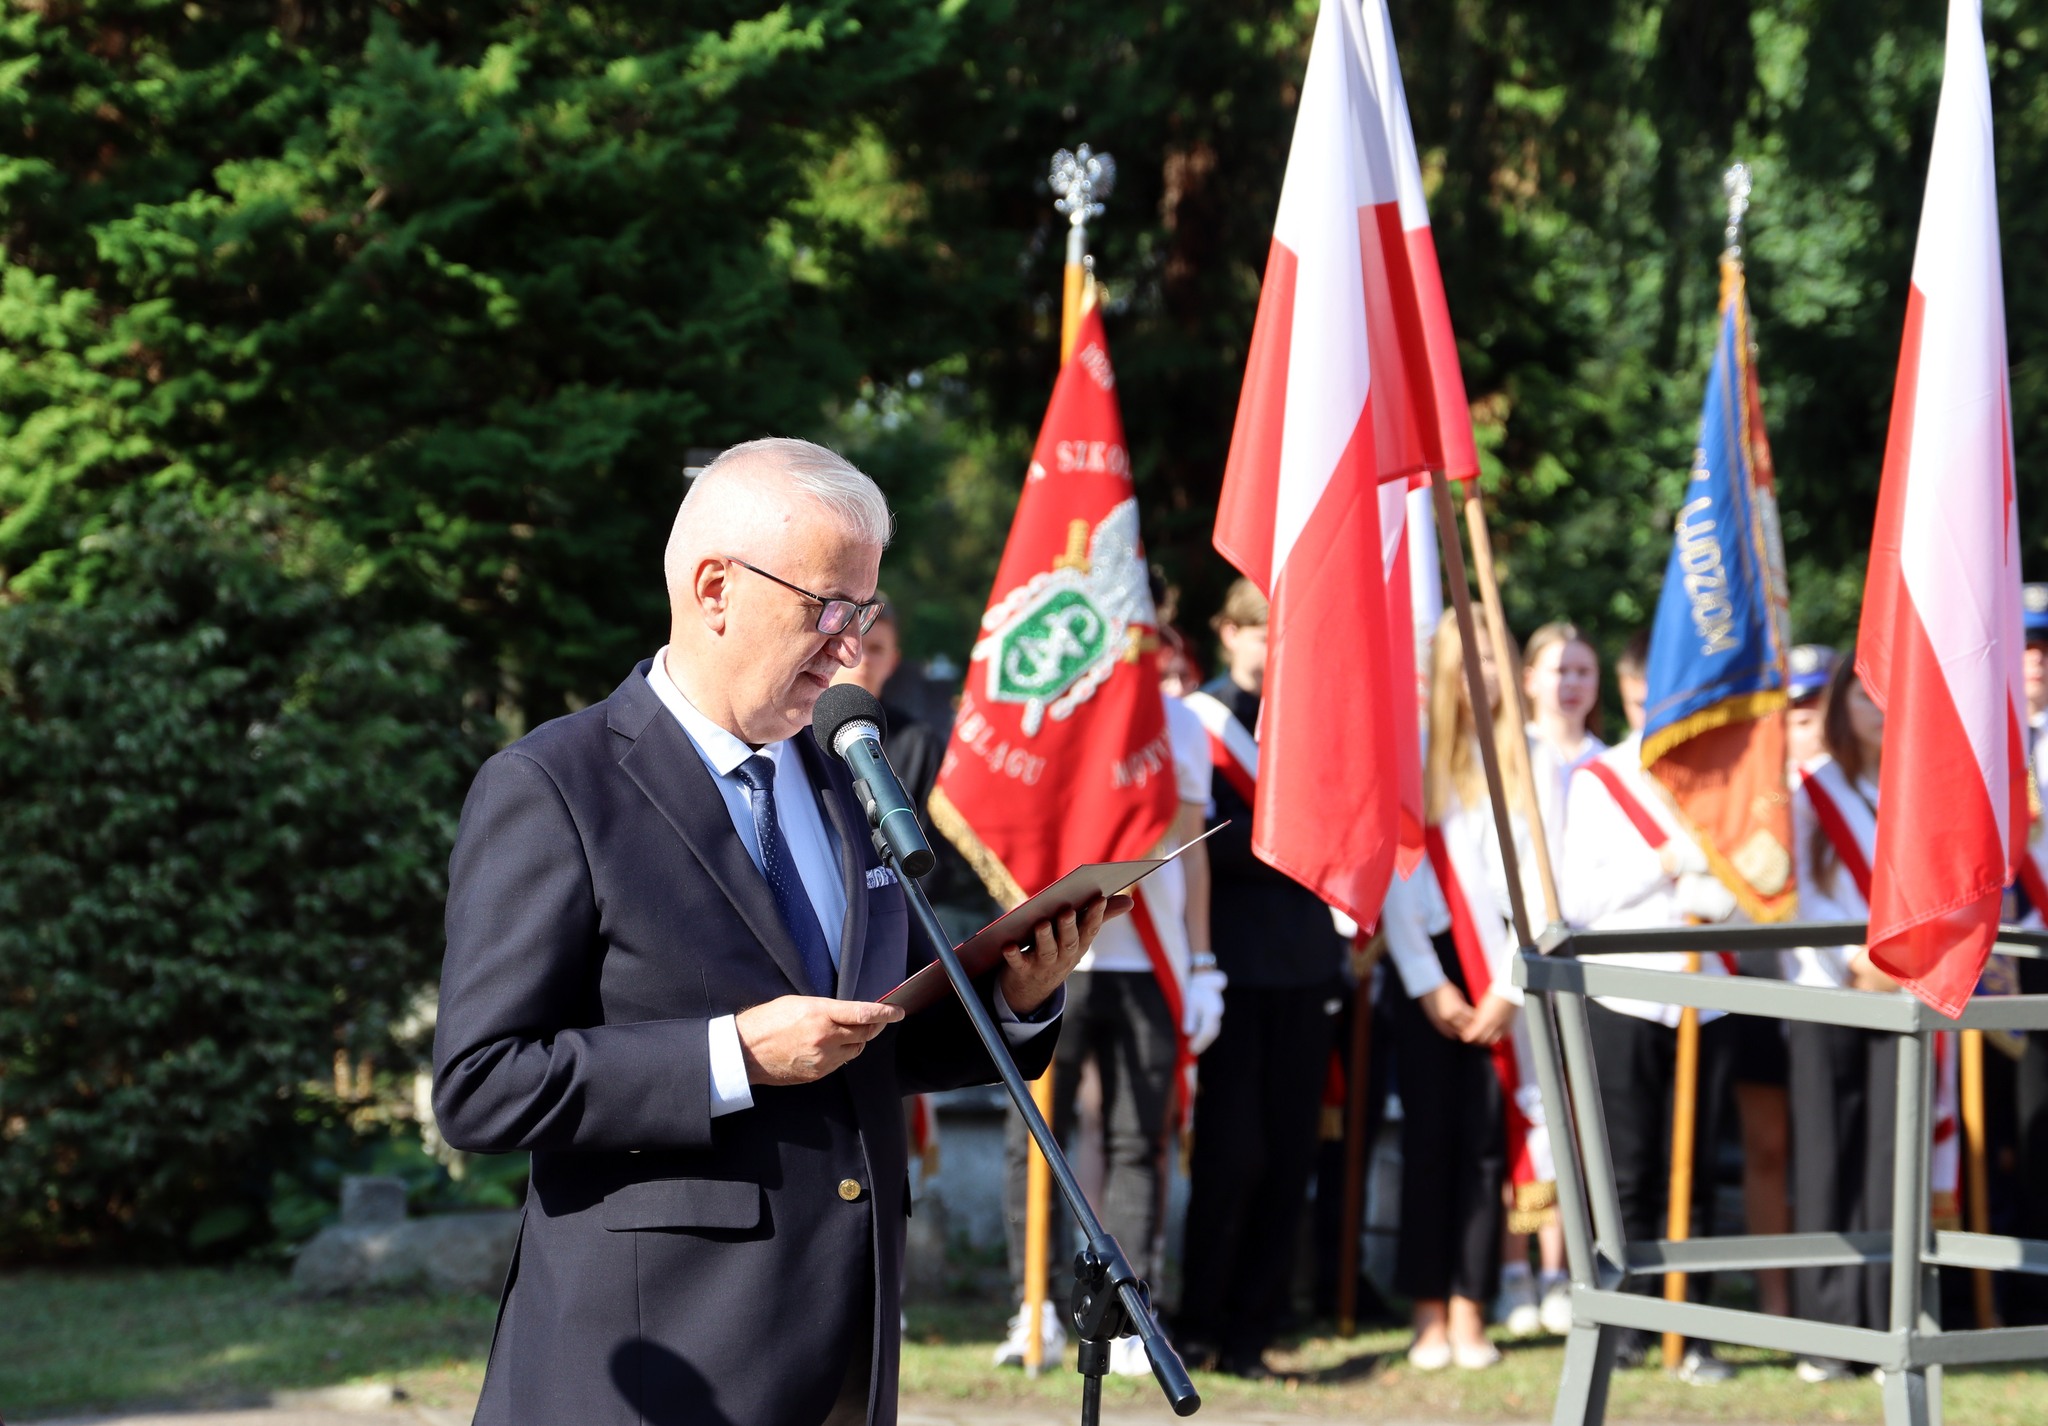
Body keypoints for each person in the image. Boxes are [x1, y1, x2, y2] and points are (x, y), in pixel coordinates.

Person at [432, 438, 1114, 1426]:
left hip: (841, 1350)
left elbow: (858, 1036)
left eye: (863, 615)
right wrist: (732, 1055)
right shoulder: (553, 787)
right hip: (653, 1359)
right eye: (827, 611)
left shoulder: (847, 775)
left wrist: (1010, 1000)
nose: (849, 651)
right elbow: (481, 1084)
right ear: (714, 588)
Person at [995, 677, 1222, 1376]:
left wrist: (1204, 959)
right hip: (1057, 954)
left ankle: (1128, 1315)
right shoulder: (1049, 706)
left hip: (1148, 961)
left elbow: (1191, 840)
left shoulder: (1179, 722)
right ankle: (1033, 1305)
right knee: (1034, 1135)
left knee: (1137, 1139)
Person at [1175, 578, 1347, 1378]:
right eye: (1253, 631)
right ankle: (1200, 1319)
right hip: (1233, 963)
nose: (1264, 646)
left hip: (1308, 961)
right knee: (1229, 1152)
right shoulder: (1200, 723)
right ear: (1226, 632)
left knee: (1287, 1154)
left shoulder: (1309, 725)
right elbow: (1206, 841)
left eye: (1277, 634)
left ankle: (1256, 1326)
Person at [1558, 631, 1740, 1384]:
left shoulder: (1720, 775)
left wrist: (1717, 893)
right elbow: (1580, 900)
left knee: (1693, 1169)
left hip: (1708, 996)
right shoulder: (1600, 780)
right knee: (1627, 1167)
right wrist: (1664, 863)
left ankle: (1690, 1326)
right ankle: (1629, 1321)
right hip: (1628, 992)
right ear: (1632, 690)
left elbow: (1752, 881)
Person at [1782, 653, 1960, 1381]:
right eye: (1864, 694)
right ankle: (1826, 1334)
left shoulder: (1916, 789)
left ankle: (1886, 1324)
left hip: (1901, 993)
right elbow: (1797, 896)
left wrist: (1895, 963)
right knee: (1827, 1156)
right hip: (1828, 990)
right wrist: (1852, 958)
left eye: (1890, 697)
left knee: (1892, 1158)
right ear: (1841, 703)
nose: (1877, 708)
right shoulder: (1808, 789)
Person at [1382, 608, 1535, 1371]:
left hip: (1505, 969)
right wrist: (1426, 983)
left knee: (1484, 1149)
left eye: (1491, 651)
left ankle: (1473, 1308)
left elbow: (1544, 882)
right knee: (1429, 1145)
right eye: (1464, 651)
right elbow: (1396, 880)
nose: (1478, 666)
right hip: (1432, 976)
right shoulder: (1411, 759)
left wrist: (1507, 987)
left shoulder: (1528, 761)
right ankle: (1428, 1312)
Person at [1498, 620, 1602, 1337]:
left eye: (1582, 672)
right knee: (1516, 1105)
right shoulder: (1508, 756)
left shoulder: (1609, 762)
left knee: (1568, 1108)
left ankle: (1562, 1269)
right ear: (1528, 678)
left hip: (1585, 958)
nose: (1568, 684)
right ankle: (1511, 1269)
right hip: (1511, 951)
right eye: (1556, 670)